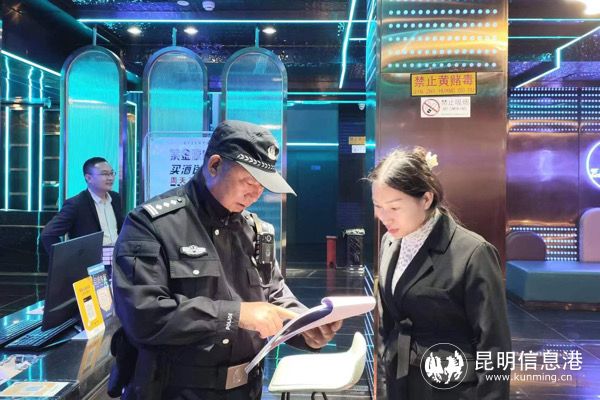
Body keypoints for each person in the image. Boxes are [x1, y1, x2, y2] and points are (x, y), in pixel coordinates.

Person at [111, 120, 341, 400]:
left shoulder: (255, 229)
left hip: (247, 388)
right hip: (176, 390)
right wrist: (235, 314)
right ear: (215, 166)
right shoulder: (151, 224)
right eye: (249, 181)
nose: (255, 194)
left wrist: (305, 326)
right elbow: (143, 315)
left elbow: (274, 294)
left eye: (262, 185)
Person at [369, 147, 511, 399]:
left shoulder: (473, 252)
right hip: (400, 381)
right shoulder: (389, 242)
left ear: (426, 199)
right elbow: (388, 324)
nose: (383, 217)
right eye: (377, 206)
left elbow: (495, 343)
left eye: (394, 208)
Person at [41, 157, 123, 253]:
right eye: (105, 174)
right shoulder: (76, 204)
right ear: (88, 178)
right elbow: (48, 235)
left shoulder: (115, 198)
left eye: (112, 173)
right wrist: (66, 258)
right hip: (93, 260)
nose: (110, 178)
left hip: (117, 258)